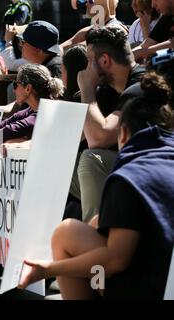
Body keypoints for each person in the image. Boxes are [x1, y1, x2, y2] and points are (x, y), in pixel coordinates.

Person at [18, 71, 174, 300]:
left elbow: (115, 260)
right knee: (89, 226)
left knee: (65, 234)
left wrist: (48, 269)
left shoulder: (129, 176)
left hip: (156, 288)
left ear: (122, 134)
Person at [71, 26, 146, 223]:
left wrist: (87, 89)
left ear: (104, 60)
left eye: (89, 61)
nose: (86, 68)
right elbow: (74, 135)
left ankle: (93, 240)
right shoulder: (107, 90)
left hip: (149, 173)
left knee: (91, 159)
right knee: (57, 164)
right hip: (124, 173)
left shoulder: (142, 85)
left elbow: (98, 139)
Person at [0, 64, 64, 148]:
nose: (14, 90)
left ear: (28, 89)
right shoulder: (31, 110)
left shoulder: (44, 114)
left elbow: (8, 131)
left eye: (16, 84)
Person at [61, 0, 127, 52]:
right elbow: (66, 45)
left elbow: (88, 47)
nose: (86, 4)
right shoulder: (93, 28)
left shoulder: (116, 28)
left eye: (90, 1)